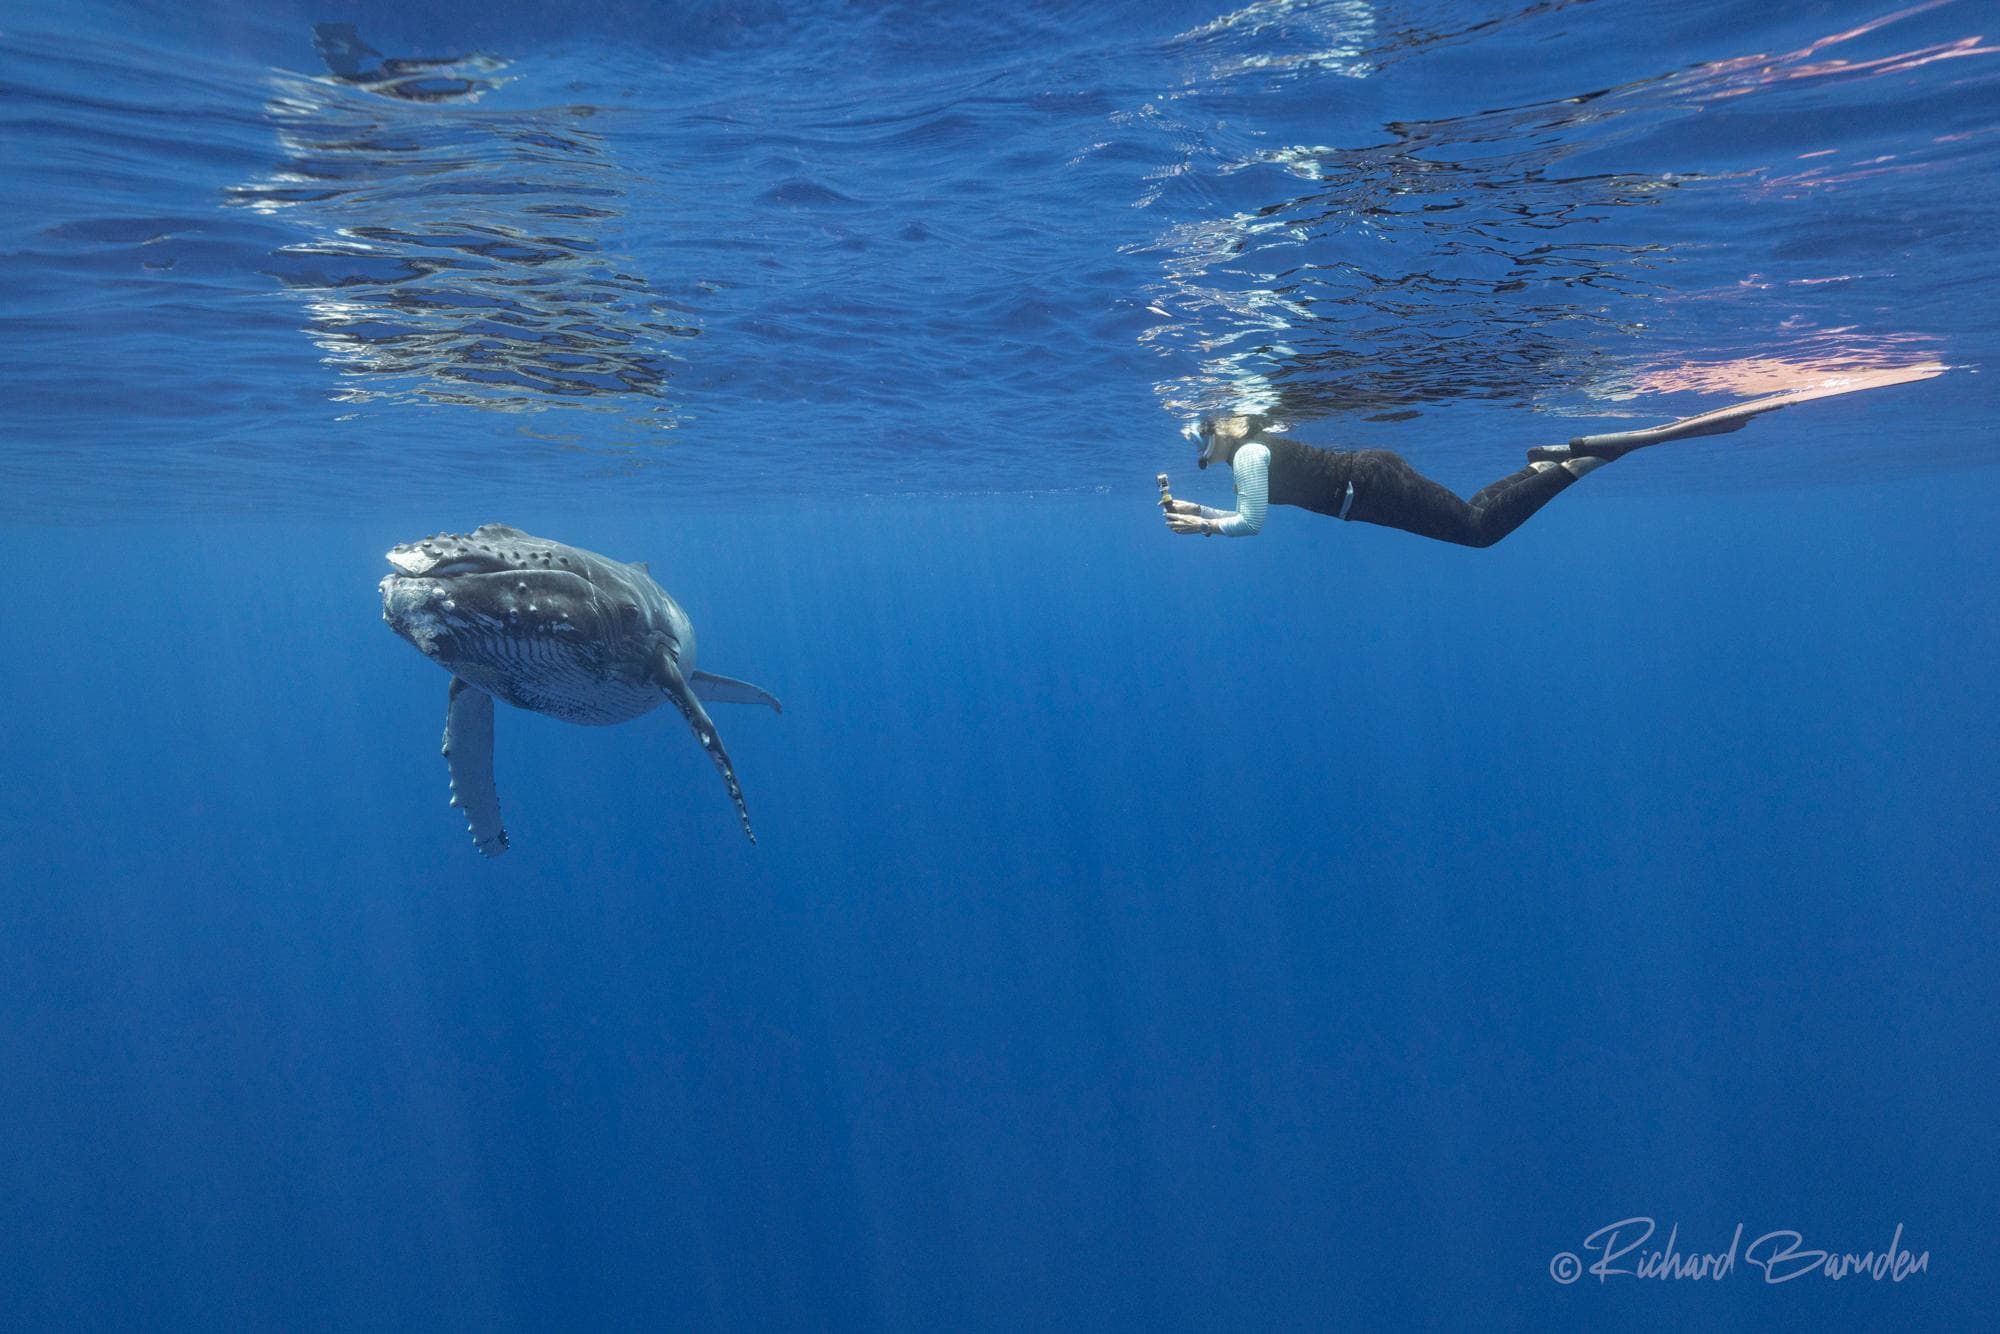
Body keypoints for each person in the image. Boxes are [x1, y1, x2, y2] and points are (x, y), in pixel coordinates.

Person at [1158, 365, 1943, 546]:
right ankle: (1553, 463)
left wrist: (1203, 527)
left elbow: (1253, 526)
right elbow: (1243, 511)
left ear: (1223, 436)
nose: (1212, 457)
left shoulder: (1252, 458)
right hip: (1370, 477)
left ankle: (1582, 460)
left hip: (1368, 484)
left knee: (1477, 531)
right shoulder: (1249, 454)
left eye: (1208, 449)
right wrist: (1197, 514)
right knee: (1473, 522)